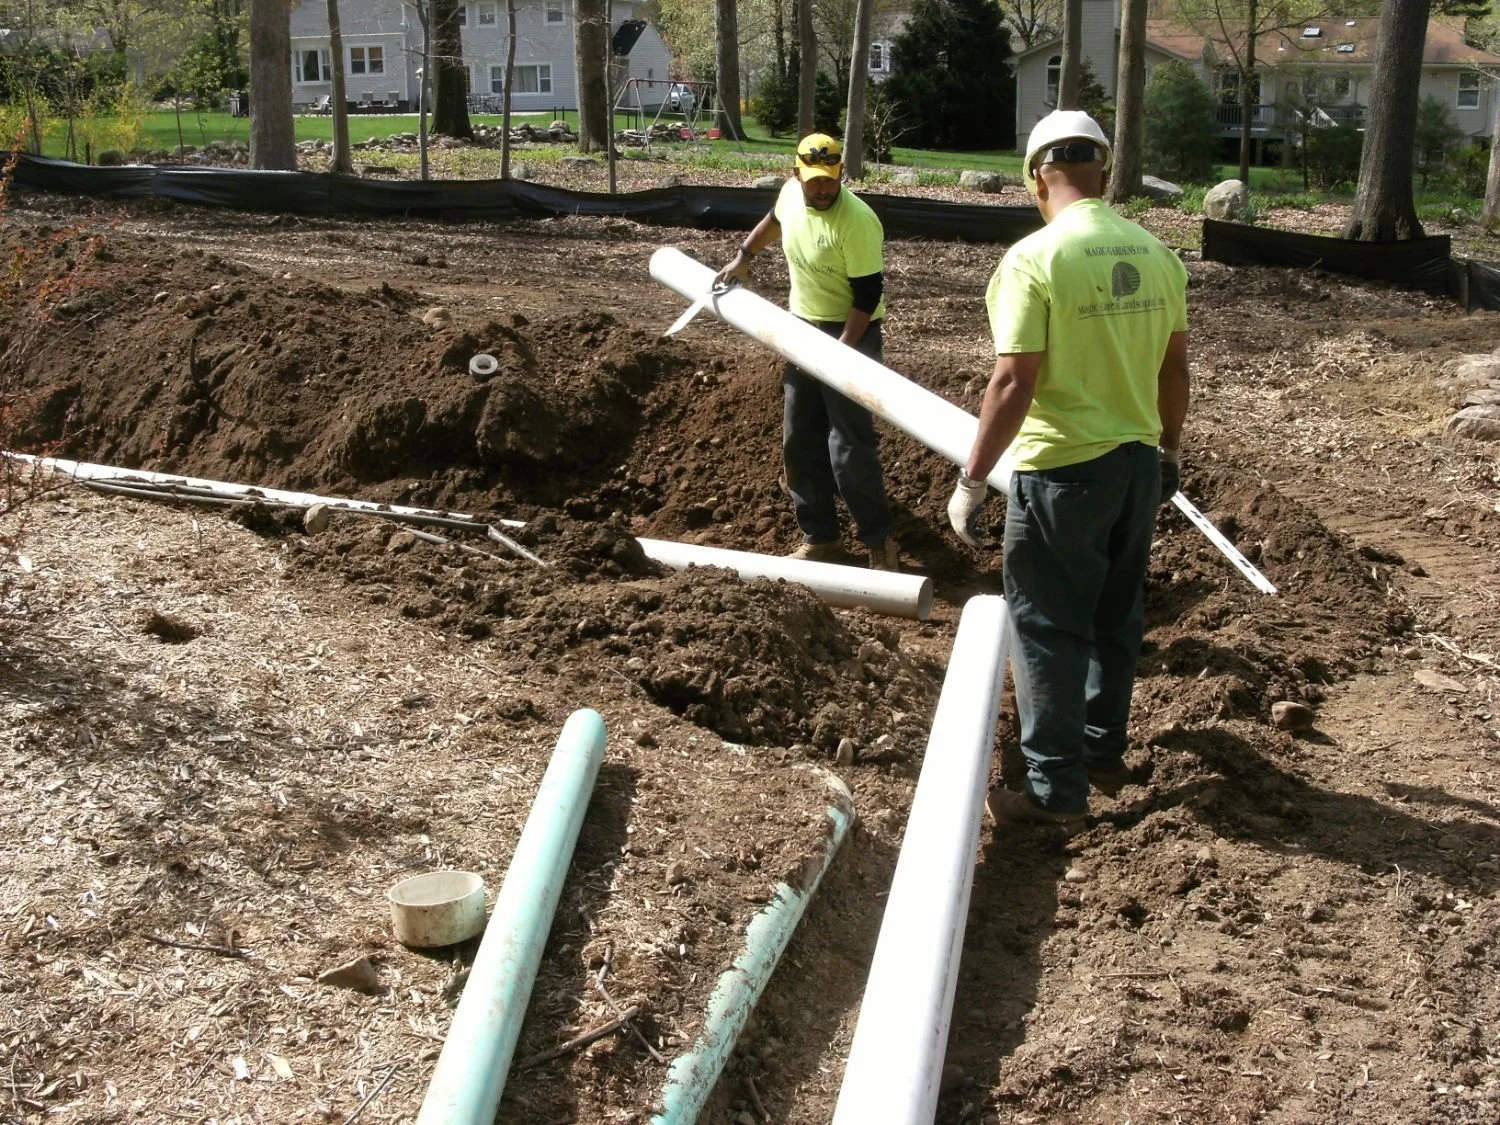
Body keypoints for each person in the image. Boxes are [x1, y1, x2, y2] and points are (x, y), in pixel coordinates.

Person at [946, 109, 1191, 829]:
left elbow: (1013, 383)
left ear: (1035, 175)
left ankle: (1054, 793)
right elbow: (1174, 370)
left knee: (1048, 626)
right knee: (1117, 615)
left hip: (1062, 473)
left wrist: (972, 478)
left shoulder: (1035, 259)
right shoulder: (1158, 253)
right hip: (1137, 465)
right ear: (1104, 171)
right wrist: (1168, 449)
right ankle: (1102, 750)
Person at [714, 132, 901, 572]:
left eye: (829, 180)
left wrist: (840, 353)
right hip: (801, 327)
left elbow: (868, 296)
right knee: (798, 438)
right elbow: (775, 220)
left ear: (840, 174)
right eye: (813, 180)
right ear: (796, 174)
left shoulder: (857, 221)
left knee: (849, 444)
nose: (821, 189)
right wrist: (744, 256)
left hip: (852, 329)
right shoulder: (790, 195)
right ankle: (821, 537)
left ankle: (879, 541)